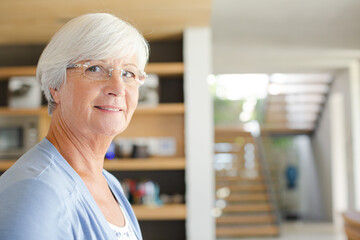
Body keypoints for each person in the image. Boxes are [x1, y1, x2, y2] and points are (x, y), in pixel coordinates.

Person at [0, 13, 149, 240]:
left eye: (128, 73)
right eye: (95, 68)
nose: (118, 88)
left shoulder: (110, 183)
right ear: (55, 86)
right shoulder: (36, 191)